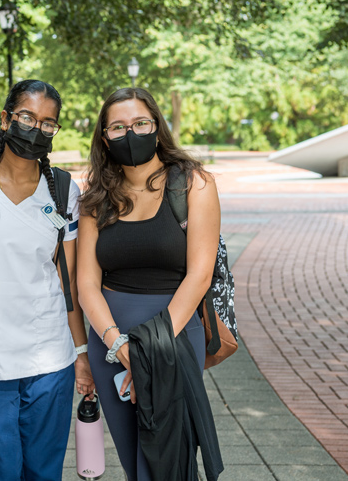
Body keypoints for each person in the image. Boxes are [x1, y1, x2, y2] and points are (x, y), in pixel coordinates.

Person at [0, 80, 94, 481]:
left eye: (48, 123)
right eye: (27, 117)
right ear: (6, 119)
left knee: (43, 472)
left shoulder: (63, 191)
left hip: (49, 355)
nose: (35, 129)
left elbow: (70, 283)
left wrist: (81, 354)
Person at [77, 87, 222, 480]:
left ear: (157, 127)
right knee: (133, 461)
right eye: (118, 127)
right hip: (110, 345)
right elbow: (87, 284)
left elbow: (200, 274)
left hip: (173, 338)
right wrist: (119, 344)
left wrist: (149, 349)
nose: (131, 133)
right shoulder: (94, 199)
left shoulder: (194, 185)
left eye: (140, 123)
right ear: (104, 138)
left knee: (167, 461)